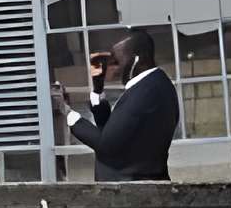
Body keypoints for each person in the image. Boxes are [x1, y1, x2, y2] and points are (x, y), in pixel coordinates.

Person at [54, 31, 178, 181]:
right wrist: (98, 89)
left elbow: (106, 145)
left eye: (117, 61)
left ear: (136, 60)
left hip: (132, 191)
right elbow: (113, 133)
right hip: (139, 186)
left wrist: (67, 112)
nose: (112, 68)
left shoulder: (145, 93)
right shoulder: (154, 84)